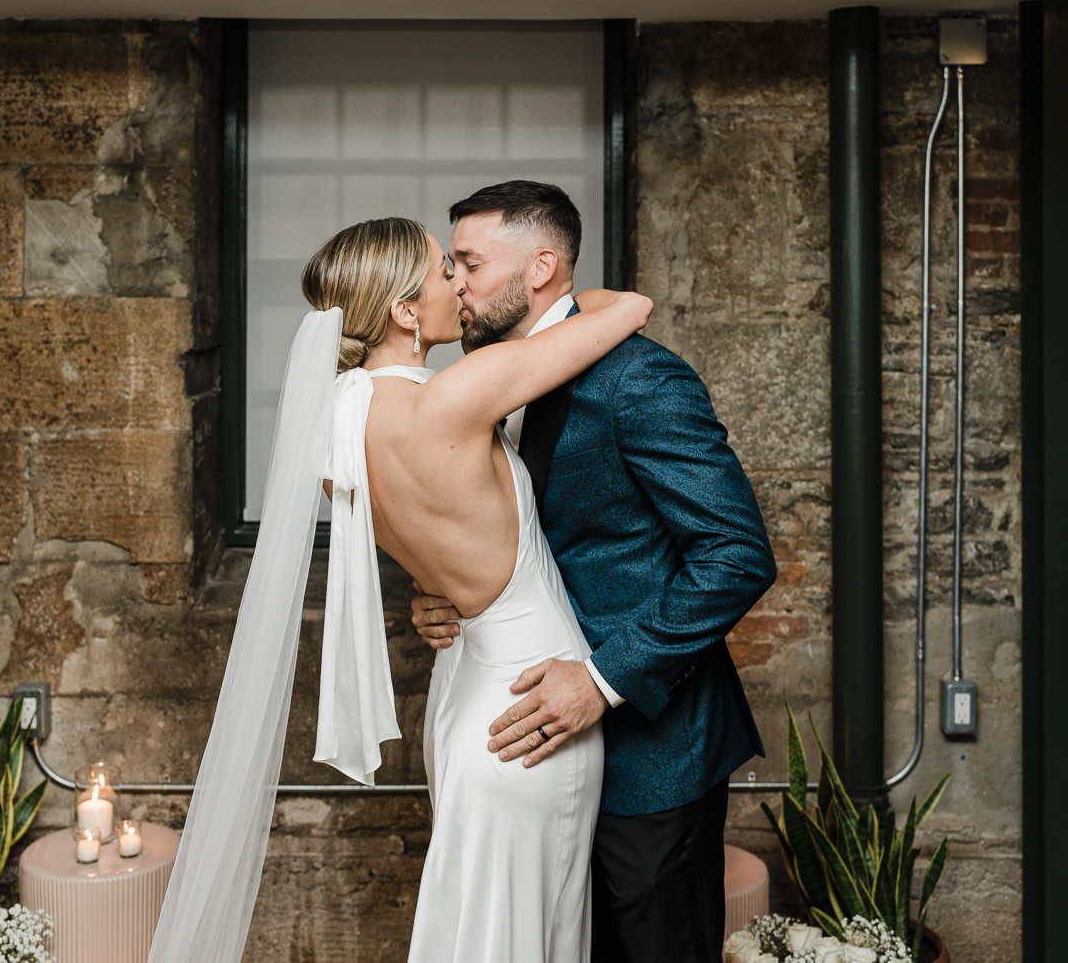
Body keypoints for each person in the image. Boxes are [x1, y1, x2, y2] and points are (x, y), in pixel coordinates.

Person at [147, 216, 652, 963]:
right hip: (531, 708)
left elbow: (434, 561)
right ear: (405, 314)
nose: (461, 282)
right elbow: (629, 309)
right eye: (444, 271)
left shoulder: (338, 435)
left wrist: (436, 597)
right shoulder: (461, 394)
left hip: (463, 703)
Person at [412, 181, 776, 963]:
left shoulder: (639, 378)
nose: (455, 285)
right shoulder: (499, 380)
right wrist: (454, 596)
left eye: (470, 264)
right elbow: (523, 538)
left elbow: (736, 554)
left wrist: (601, 680)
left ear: (540, 267)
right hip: (540, 760)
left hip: (651, 752)